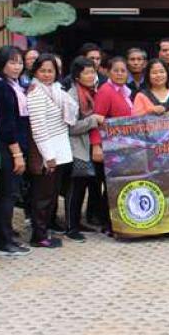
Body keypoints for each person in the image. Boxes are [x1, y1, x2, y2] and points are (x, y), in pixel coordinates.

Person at [26, 53, 75, 249]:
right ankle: (38, 236)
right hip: (47, 153)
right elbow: (38, 128)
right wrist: (49, 156)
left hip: (60, 149)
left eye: (51, 71)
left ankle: (44, 230)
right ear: (35, 72)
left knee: (52, 195)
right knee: (43, 197)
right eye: (43, 71)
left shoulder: (56, 90)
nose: (47, 74)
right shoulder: (36, 93)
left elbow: (72, 114)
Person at [0, 46, 33, 257]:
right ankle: (2, 240)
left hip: (16, 146)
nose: (17, 67)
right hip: (8, 148)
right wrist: (16, 153)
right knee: (7, 194)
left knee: (10, 193)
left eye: (19, 62)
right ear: (2, 64)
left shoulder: (15, 85)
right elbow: (6, 124)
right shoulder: (0, 87)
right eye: (12, 62)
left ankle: (2, 234)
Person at [92, 56, 135, 235]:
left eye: (123, 71)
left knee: (118, 184)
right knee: (110, 186)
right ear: (108, 72)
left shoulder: (124, 91)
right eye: (115, 70)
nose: (119, 74)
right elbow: (97, 119)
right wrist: (96, 145)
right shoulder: (106, 91)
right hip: (110, 147)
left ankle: (116, 222)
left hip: (124, 146)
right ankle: (108, 224)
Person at [65, 57, 105, 242]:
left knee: (84, 187)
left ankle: (77, 222)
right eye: (86, 73)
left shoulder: (91, 92)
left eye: (92, 72)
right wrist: (93, 120)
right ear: (77, 76)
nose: (91, 76)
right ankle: (71, 227)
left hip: (88, 146)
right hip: (77, 147)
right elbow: (71, 127)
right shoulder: (73, 95)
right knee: (75, 189)